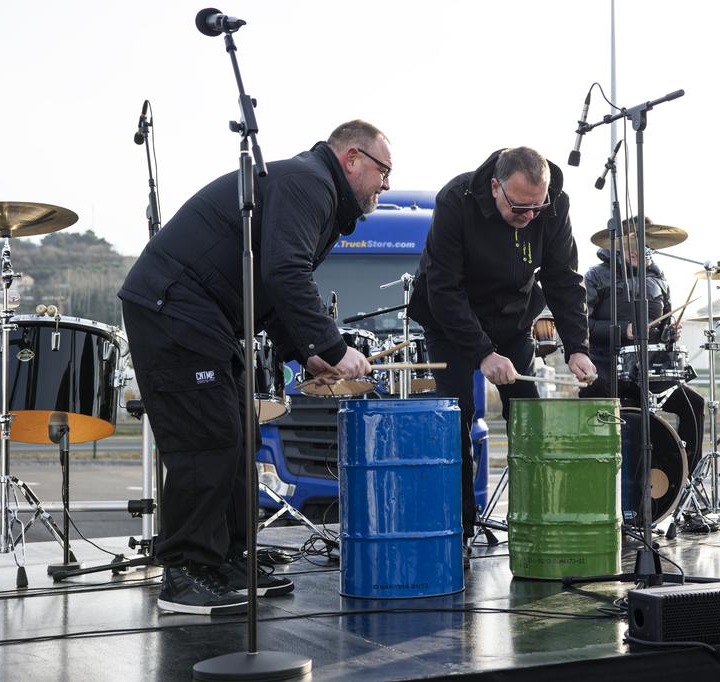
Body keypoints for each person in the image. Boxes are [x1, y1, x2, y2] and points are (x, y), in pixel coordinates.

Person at [119, 120, 390, 614]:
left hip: (207, 315)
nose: (386, 184)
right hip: (173, 306)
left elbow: (275, 281)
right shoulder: (311, 183)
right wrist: (332, 347)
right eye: (383, 170)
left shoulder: (313, 188)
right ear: (352, 158)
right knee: (209, 436)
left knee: (240, 432)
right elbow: (285, 272)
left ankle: (225, 560)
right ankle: (184, 572)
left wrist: (302, 353)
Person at [408, 147, 597, 554]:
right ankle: (457, 531)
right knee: (456, 418)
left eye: (536, 206)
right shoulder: (454, 201)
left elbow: (564, 278)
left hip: (512, 318)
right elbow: (444, 288)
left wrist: (577, 347)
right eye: (519, 207)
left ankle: (537, 521)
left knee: (528, 415)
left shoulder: (553, 205)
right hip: (450, 320)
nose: (529, 216)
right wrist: (482, 353)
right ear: (495, 187)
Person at [578, 222, 706, 476]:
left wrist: (669, 334)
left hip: (649, 371)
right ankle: (596, 476)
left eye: (641, 242)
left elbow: (662, 327)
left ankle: (683, 481)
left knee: (694, 404)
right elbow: (581, 325)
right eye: (628, 244)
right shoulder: (595, 276)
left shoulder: (658, 280)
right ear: (614, 244)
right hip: (606, 367)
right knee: (594, 398)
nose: (636, 249)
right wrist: (622, 330)